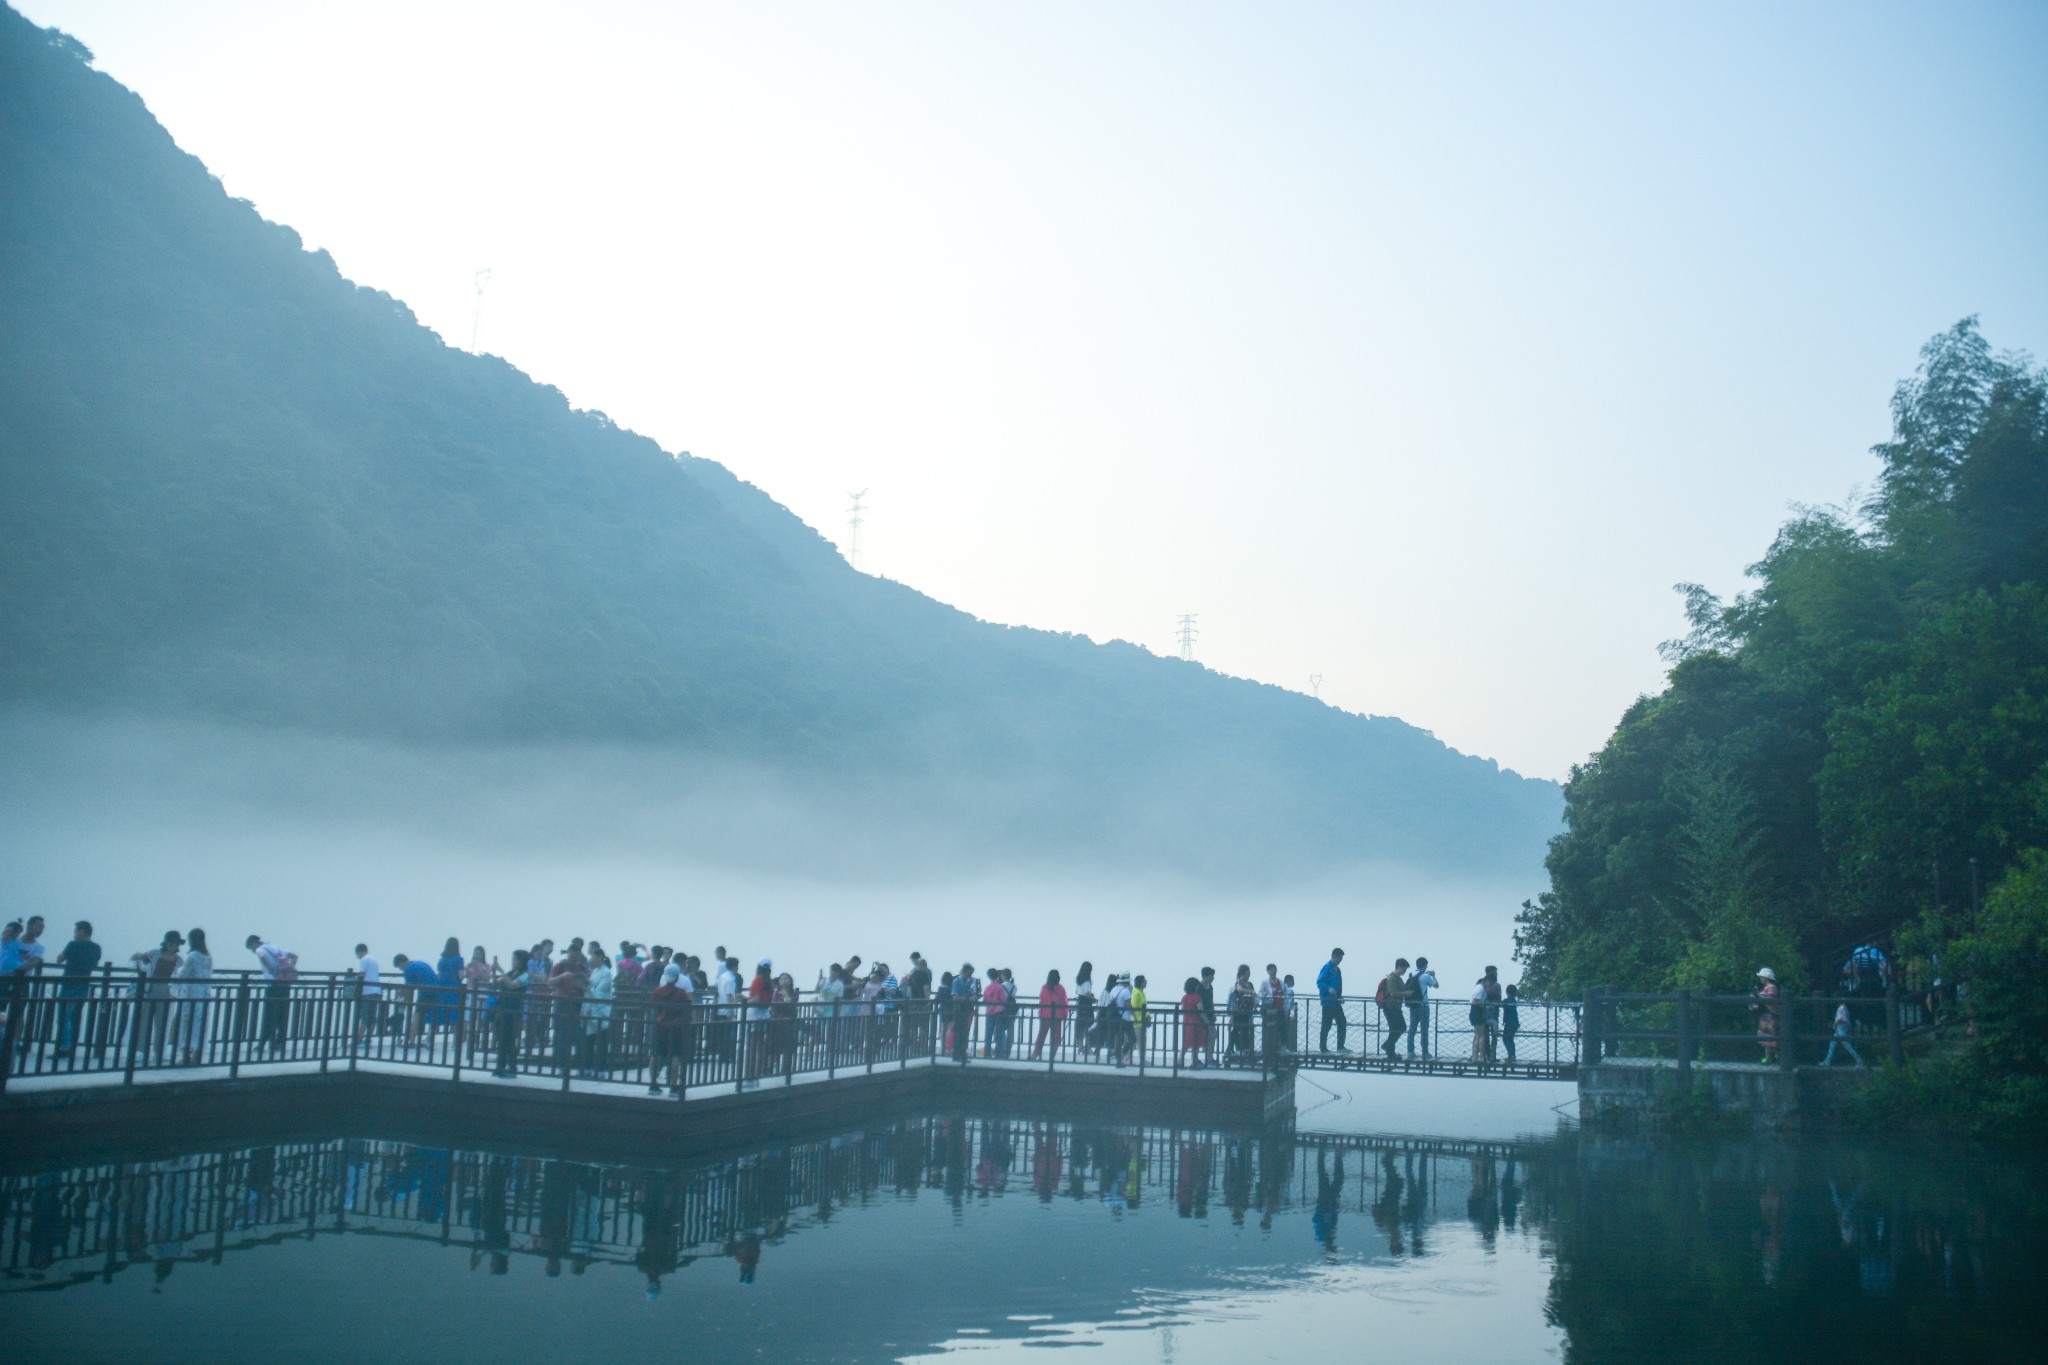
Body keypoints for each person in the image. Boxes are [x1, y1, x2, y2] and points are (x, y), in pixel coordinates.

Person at [129, 931, 183, 1065]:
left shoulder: (179, 960)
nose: (172, 946)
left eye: (175, 944)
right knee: (144, 1021)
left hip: (166, 991)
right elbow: (137, 959)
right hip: (150, 989)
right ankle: (141, 1051)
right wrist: (137, 957)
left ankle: (158, 1052)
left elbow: (177, 975)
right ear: (165, 943)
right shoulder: (154, 953)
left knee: (162, 1023)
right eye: (170, 943)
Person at [53, 920, 102, 1061]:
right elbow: (95, 964)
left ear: (81, 931)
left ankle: (64, 1047)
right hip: (83, 985)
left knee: (63, 1018)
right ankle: (73, 1047)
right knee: (76, 1017)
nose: (74, 934)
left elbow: (59, 960)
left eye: (75, 931)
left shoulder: (73, 945)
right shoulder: (96, 948)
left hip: (68, 984)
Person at [245, 935, 297, 1056]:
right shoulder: (274, 947)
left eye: (251, 948)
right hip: (285, 986)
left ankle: (262, 1045)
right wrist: (289, 970)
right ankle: (278, 1043)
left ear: (253, 943)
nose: (253, 952)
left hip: (273, 986)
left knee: (268, 1017)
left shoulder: (260, 949)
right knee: (282, 1017)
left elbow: (262, 956)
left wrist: (270, 968)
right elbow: (294, 957)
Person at [172, 929, 212, 1065]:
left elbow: (182, 974)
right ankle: (197, 1054)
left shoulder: (192, 956)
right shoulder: (208, 956)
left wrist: (176, 970)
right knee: (200, 1025)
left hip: (190, 994)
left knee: (187, 1024)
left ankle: (185, 1056)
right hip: (204, 994)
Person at [490, 950, 530, 1078]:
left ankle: (512, 1067)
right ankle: (500, 1066)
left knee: (510, 1040)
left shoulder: (525, 975)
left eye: (516, 959)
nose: (513, 961)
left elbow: (512, 985)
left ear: (522, 961)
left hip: (514, 1010)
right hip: (502, 1009)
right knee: (501, 1038)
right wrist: (493, 971)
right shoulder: (509, 973)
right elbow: (497, 984)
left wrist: (501, 970)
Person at [581, 947, 615, 1076]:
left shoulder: (606, 972)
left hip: (601, 1010)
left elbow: (599, 993)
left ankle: (601, 1069)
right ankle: (588, 1068)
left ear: (600, 957)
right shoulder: (595, 971)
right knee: (589, 1040)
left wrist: (586, 987)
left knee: (601, 1041)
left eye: (593, 957)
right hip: (591, 1009)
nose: (591, 960)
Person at [1376, 958, 1409, 1059]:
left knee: (1399, 1028)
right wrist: (1405, 993)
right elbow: (1392, 993)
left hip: (1396, 1007)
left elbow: (1402, 989)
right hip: (1390, 1007)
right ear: (1399, 967)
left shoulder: (1398, 978)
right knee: (1396, 1029)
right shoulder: (1392, 978)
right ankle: (1389, 1051)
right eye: (1404, 969)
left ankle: (1388, 1048)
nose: (1405, 971)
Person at [1032, 969, 1068, 1058]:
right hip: (1057, 1015)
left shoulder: (1045, 987)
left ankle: (1035, 1054)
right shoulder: (1061, 989)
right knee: (1056, 1037)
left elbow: (1042, 1001)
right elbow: (1064, 1002)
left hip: (1045, 1014)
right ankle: (1052, 1056)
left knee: (1041, 1035)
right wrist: (1065, 1014)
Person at [1316, 949, 1347, 1053]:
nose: (1340, 961)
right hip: (1328, 1002)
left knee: (1342, 1022)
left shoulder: (1337, 970)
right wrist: (1328, 988)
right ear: (1335, 956)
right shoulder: (1327, 968)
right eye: (1340, 958)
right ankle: (1323, 1048)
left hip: (1336, 1001)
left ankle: (1340, 1047)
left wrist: (1339, 996)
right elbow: (1319, 982)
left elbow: (1338, 986)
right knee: (1326, 1025)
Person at [353, 943, 384, 1045]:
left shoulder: (364, 960)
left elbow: (361, 974)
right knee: (372, 1017)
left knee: (365, 1017)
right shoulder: (374, 959)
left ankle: (358, 1040)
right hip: (377, 991)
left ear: (359, 952)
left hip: (367, 991)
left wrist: (356, 985)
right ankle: (368, 1040)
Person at [1407, 957, 1438, 1058]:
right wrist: (1433, 976)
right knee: (1424, 1030)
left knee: (1412, 1029)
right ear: (1425, 965)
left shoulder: (1411, 975)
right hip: (1423, 1006)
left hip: (1413, 1005)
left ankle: (1410, 1052)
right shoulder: (1426, 976)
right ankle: (1425, 1053)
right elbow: (1436, 985)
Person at [1226, 966, 1257, 1064]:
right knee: (1236, 1029)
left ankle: (1245, 1049)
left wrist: (1254, 1004)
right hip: (1238, 1010)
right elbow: (1239, 990)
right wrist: (1250, 992)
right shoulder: (1239, 982)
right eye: (1248, 972)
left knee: (1245, 1029)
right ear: (1243, 973)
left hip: (1247, 1011)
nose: (1249, 974)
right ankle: (1229, 1049)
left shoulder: (1250, 984)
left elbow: (1253, 996)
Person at [1259, 964, 1287, 1062]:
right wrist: (1264, 995)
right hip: (1270, 1009)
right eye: (1271, 970)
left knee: (1282, 1028)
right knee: (1270, 1030)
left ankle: (1282, 1048)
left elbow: (1286, 995)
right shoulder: (1265, 983)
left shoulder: (1281, 982)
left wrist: (1286, 1008)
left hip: (1280, 1009)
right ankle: (1268, 1049)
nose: (1273, 972)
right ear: (1268, 972)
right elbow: (1260, 995)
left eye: (1274, 970)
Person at [1822, 999, 1863, 1067]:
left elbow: (1841, 1019)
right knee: (1833, 1044)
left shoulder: (1841, 1008)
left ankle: (1859, 1060)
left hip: (1840, 1028)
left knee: (1847, 1045)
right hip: (1840, 1029)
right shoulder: (1845, 1008)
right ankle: (1827, 1061)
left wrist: (1835, 1024)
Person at [1178, 977, 1208, 1068]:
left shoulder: (1184, 997)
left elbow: (1183, 1009)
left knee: (1186, 1044)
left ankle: (1180, 1062)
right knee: (1196, 1044)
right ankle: (1194, 1062)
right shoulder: (1197, 997)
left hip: (1187, 1023)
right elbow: (1200, 1010)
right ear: (1195, 987)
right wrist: (1207, 1021)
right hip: (1197, 1023)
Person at [1754, 967, 1780, 1064]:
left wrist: (1758, 996)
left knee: (1771, 1038)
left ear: (1766, 978)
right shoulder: (1766, 988)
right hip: (1765, 1016)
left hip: (1770, 1016)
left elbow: (1769, 1002)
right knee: (1765, 1038)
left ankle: (1776, 1059)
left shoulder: (1772, 988)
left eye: (1761, 977)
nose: (1760, 979)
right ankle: (1768, 1059)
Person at [1073, 963, 1097, 1057]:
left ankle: (1080, 1047)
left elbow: (1079, 992)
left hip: (1080, 1004)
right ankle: (1088, 1047)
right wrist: (1093, 998)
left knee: (1080, 1026)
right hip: (1086, 1005)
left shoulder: (1079, 980)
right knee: (1089, 1026)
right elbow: (1087, 993)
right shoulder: (1087, 981)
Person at [1501, 983, 1520, 1064]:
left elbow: (1502, 1004)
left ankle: (1511, 1055)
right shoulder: (1513, 1000)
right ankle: (1512, 1055)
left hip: (1510, 1023)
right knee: (1510, 1039)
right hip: (1514, 1022)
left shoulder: (1507, 1001)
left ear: (1506, 992)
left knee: (1506, 1038)